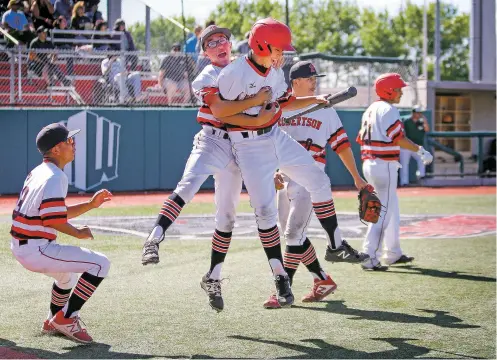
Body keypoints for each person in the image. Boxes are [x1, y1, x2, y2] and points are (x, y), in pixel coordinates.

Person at [216, 18, 369, 306]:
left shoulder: (275, 76)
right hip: (254, 151)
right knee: (280, 227)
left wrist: (316, 98)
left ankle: (322, 256)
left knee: (297, 225)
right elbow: (221, 112)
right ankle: (316, 278)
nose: (283, 54)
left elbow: (286, 106)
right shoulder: (233, 75)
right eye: (279, 48)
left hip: (285, 154)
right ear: (262, 45)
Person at [141, 25, 276, 312]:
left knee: (226, 218)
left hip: (240, 148)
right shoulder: (206, 76)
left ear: (230, 43)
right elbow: (222, 110)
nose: (219, 44)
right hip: (212, 141)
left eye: (223, 39)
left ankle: (213, 276)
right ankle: (154, 238)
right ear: (205, 52)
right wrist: (258, 102)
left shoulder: (245, 67)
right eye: (211, 42)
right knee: (187, 186)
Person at [263, 60, 369, 309]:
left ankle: (282, 290)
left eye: (315, 79)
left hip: (310, 178)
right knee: (294, 235)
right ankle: (322, 279)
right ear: (295, 82)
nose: (315, 82)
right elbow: (267, 144)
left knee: (292, 234)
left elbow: (341, 145)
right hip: (284, 178)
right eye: (310, 79)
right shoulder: (281, 107)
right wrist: (272, 172)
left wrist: (357, 177)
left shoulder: (326, 109)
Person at [10, 123, 112, 343]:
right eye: (68, 141)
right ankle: (66, 318)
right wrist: (78, 233)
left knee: (66, 278)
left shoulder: (39, 171)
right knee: (100, 264)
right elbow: (53, 219)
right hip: (36, 248)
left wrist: (90, 205)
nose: (73, 144)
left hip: (23, 245)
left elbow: (53, 211)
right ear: (56, 149)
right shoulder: (55, 176)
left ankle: (51, 320)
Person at [356, 73, 433, 271]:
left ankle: (392, 253)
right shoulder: (388, 109)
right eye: (398, 89)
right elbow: (398, 139)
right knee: (383, 212)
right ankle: (368, 256)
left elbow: (361, 139)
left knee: (392, 210)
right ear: (388, 90)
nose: (401, 92)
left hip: (372, 162)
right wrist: (420, 150)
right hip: (383, 164)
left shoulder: (371, 108)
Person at [399, 108, 430, 185]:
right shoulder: (407, 121)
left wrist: (425, 120)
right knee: (404, 164)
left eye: (420, 113)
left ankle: (421, 176)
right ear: (413, 113)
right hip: (407, 146)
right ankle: (404, 182)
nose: (419, 114)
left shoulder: (421, 122)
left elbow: (427, 130)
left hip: (417, 147)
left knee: (422, 159)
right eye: (417, 113)